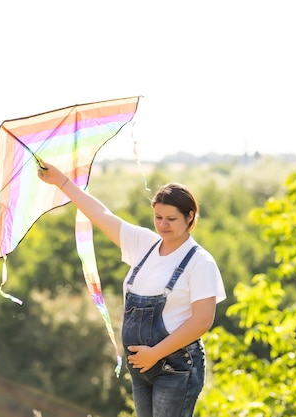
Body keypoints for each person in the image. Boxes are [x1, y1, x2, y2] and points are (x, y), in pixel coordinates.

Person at [37, 161, 226, 417]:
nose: (163, 225)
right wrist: (61, 182)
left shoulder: (199, 261)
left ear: (190, 216)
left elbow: (202, 321)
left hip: (176, 366)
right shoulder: (144, 244)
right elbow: (102, 215)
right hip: (140, 366)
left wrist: (155, 353)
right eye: (158, 217)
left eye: (171, 219)